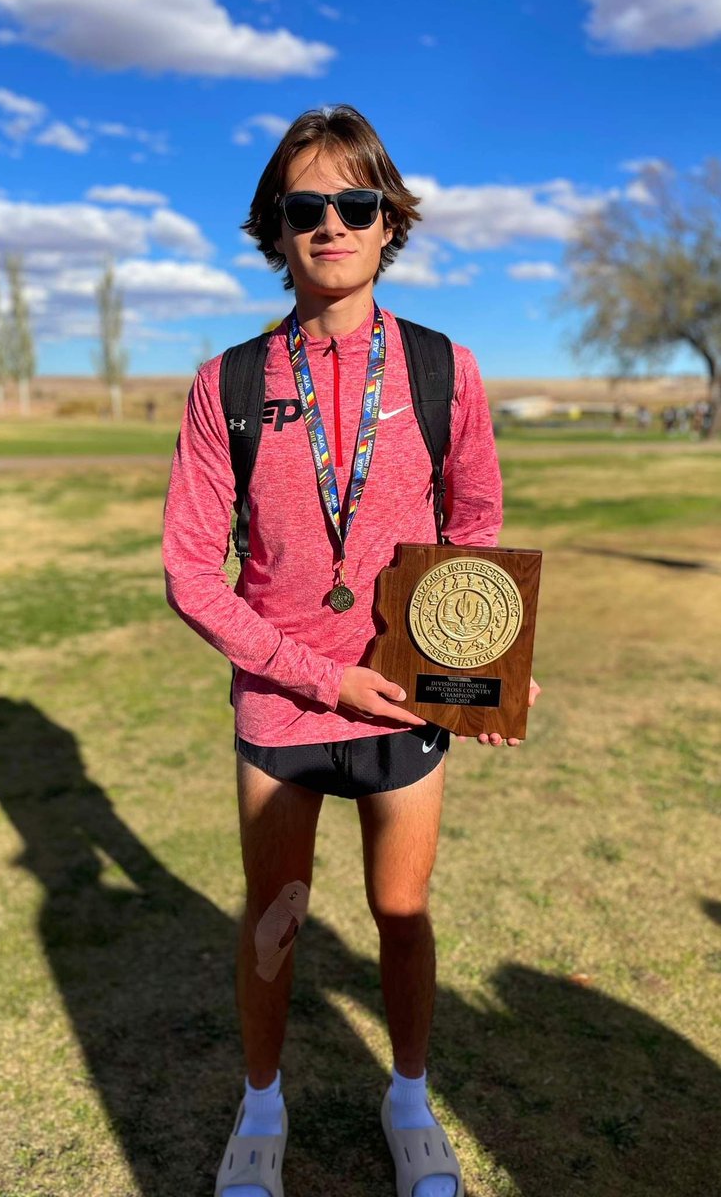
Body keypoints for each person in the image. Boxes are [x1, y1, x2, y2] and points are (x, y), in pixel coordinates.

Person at [163, 104, 541, 1197]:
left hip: (406, 708)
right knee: (275, 918)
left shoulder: (442, 369)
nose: (331, 225)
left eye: (355, 204)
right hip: (282, 712)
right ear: (276, 230)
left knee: (402, 915)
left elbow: (474, 527)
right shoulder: (224, 384)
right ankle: (263, 1103)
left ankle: (409, 1097)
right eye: (306, 207)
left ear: (389, 224)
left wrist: (488, 666)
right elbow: (193, 571)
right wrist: (319, 673)